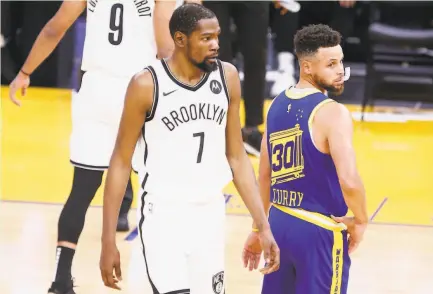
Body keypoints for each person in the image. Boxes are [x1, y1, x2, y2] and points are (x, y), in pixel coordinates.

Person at [99, 3, 280, 293]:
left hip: (209, 213)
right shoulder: (146, 84)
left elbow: (236, 158)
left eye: (217, 37)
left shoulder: (228, 77)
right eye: (206, 38)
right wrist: (108, 240)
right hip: (163, 214)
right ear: (180, 39)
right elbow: (120, 162)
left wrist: (262, 224)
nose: (216, 45)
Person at [8, 0, 176, 293]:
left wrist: (24, 72)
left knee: (82, 189)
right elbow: (164, 43)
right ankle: (166, 280)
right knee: (158, 191)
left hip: (96, 89)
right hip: (141, 88)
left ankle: (60, 278)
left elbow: (54, 28)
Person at [242, 24, 368, 294]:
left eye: (341, 62)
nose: (339, 71)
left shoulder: (275, 105)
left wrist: (258, 228)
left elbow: (264, 176)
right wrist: (361, 220)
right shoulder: (333, 113)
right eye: (331, 64)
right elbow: (349, 179)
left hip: (279, 224)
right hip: (318, 232)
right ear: (307, 67)